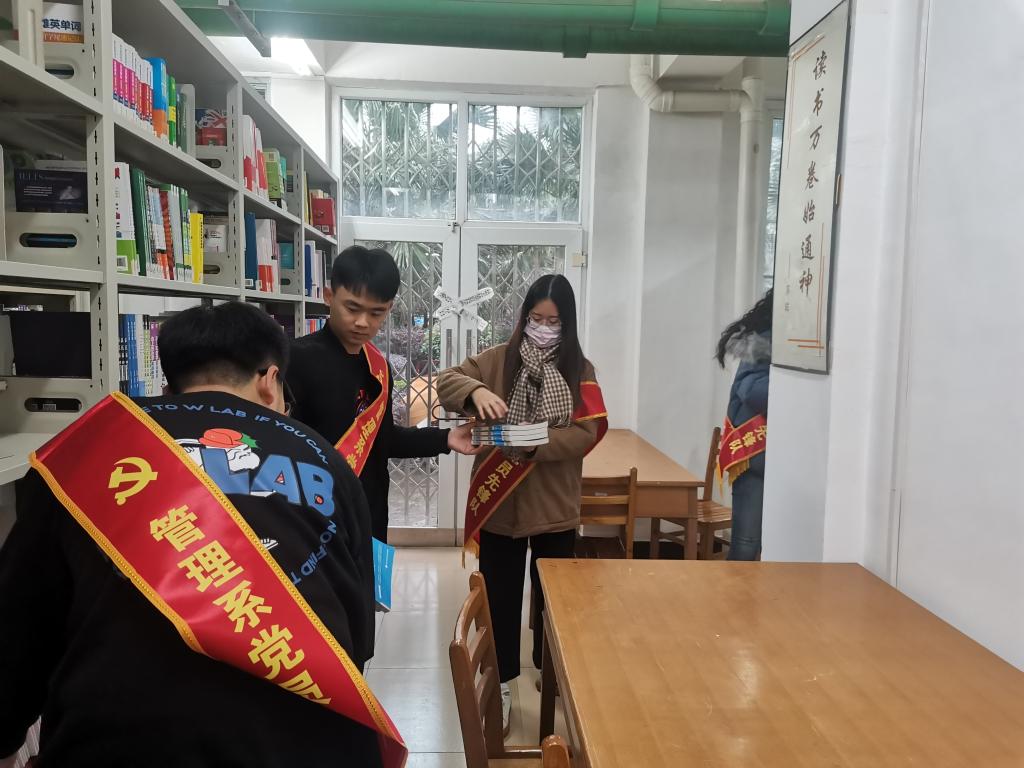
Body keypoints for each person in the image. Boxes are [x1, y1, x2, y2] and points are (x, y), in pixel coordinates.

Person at [0, 302, 404, 768]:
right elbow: (355, 642)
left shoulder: (85, 452)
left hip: (114, 747)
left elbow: (17, 637)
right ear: (271, 381)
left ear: (168, 387)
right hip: (306, 748)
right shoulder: (326, 460)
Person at [437, 274, 607, 736]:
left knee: (555, 603)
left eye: (554, 321)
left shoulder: (580, 369)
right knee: (500, 600)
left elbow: (586, 432)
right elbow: (446, 381)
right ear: (523, 317)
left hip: (554, 505)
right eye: (536, 318)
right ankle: (502, 682)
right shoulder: (497, 359)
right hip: (502, 507)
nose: (543, 328)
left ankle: (553, 675)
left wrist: (534, 443)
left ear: (568, 323)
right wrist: (475, 391)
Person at [287, 245, 479, 543]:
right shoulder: (294, 360)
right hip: (312, 515)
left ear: (389, 309)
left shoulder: (378, 367)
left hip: (369, 512)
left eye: (376, 312)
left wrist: (446, 438)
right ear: (328, 296)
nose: (362, 322)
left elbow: (383, 439)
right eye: (352, 308)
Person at [715, 289, 772, 561]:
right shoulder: (762, 342)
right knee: (746, 543)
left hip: (782, 458)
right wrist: (792, 388)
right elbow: (752, 391)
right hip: (754, 455)